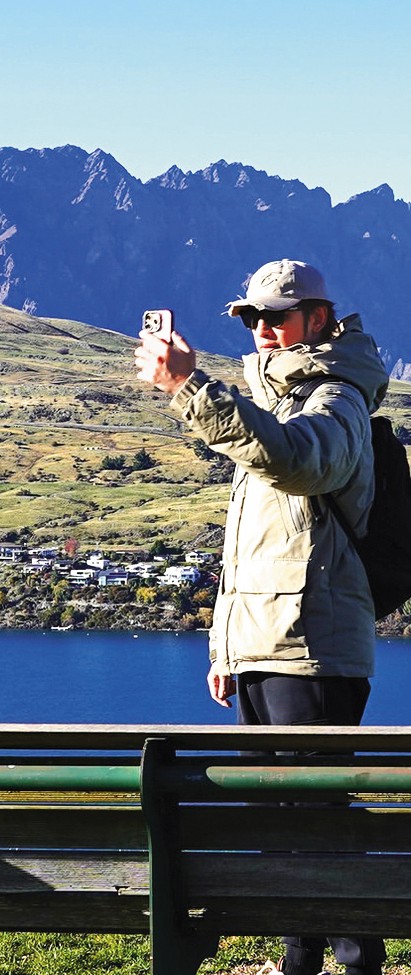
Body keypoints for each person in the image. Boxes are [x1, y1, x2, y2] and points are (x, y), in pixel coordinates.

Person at [134, 259, 388, 975]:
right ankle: (298, 956)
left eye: (277, 316)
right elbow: (252, 549)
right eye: (251, 318)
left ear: (317, 318)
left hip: (312, 647)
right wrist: (224, 643)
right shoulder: (274, 404)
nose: (263, 330)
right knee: (277, 818)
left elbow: (300, 465)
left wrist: (189, 386)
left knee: (316, 814)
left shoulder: (335, 397)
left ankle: (356, 956)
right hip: (261, 646)